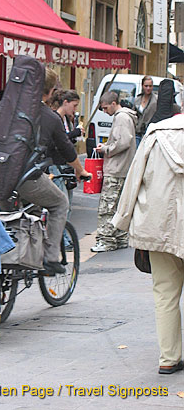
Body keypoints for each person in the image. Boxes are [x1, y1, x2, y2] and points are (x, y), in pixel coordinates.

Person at [112, 99, 184, 374]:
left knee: (165, 293)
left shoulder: (156, 134)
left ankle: (168, 358)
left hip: (158, 226)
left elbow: (134, 180)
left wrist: (122, 220)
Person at [17, 69, 91, 274]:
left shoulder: (10, 108)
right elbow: (67, 149)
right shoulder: (49, 117)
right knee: (60, 203)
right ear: (50, 92)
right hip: (24, 174)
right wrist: (81, 170)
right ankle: (50, 258)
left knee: (15, 213)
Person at [91, 91, 136, 253]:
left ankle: (106, 240)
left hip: (116, 168)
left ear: (113, 103)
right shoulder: (127, 117)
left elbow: (123, 141)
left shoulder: (121, 118)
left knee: (107, 207)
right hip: (123, 168)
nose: (105, 112)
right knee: (117, 206)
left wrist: (106, 149)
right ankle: (119, 237)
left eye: (105, 108)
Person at [133, 76, 157, 147]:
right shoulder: (137, 99)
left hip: (149, 133)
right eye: (146, 86)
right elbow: (133, 114)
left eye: (150, 86)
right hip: (137, 133)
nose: (148, 88)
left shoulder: (156, 100)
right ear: (142, 86)